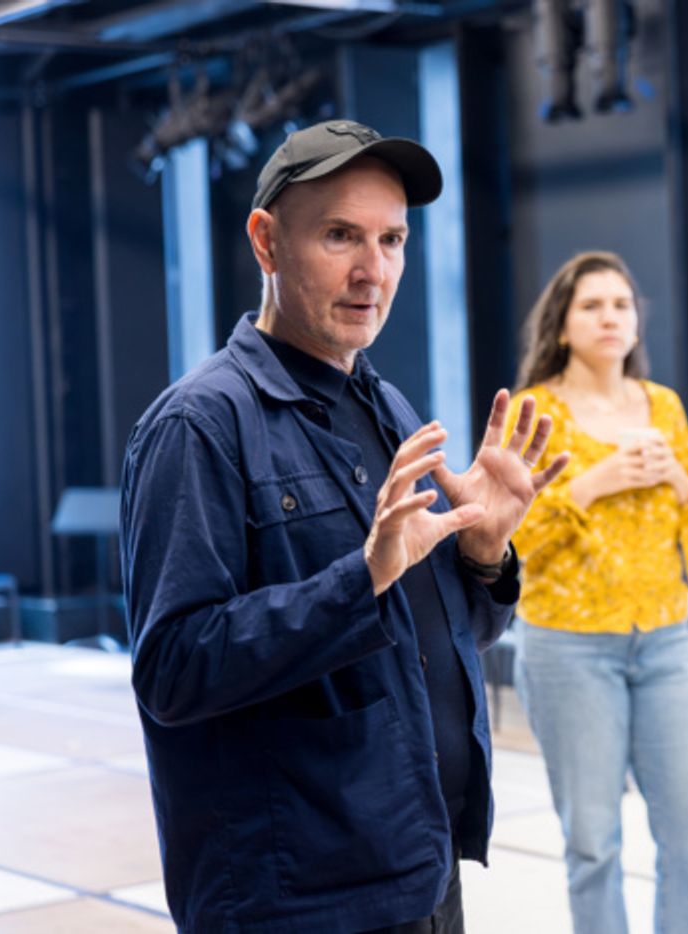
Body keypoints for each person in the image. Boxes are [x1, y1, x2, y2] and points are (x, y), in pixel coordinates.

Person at [120, 119, 567, 933]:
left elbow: (428, 633)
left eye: (392, 239)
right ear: (266, 241)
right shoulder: (200, 425)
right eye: (340, 236)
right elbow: (174, 672)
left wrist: (482, 552)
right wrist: (362, 578)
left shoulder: (385, 407)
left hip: (419, 865)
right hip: (298, 897)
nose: (374, 271)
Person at [508, 251, 688, 934]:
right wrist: (594, 483)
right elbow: (509, 538)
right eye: (592, 306)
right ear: (563, 325)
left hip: (664, 643)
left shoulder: (663, 407)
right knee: (593, 845)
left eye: (622, 305)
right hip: (568, 651)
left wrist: (677, 481)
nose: (610, 317)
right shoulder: (535, 410)